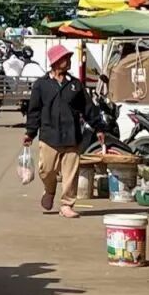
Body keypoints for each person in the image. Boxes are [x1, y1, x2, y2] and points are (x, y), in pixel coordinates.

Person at [24, 45, 103, 220]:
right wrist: (30, 132)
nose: (68, 61)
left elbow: (88, 108)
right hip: (49, 136)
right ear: (54, 62)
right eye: (63, 58)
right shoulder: (41, 85)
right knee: (46, 170)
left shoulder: (75, 85)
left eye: (68, 58)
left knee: (71, 174)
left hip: (72, 136)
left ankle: (67, 204)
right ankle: (50, 190)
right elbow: (34, 111)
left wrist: (98, 127)